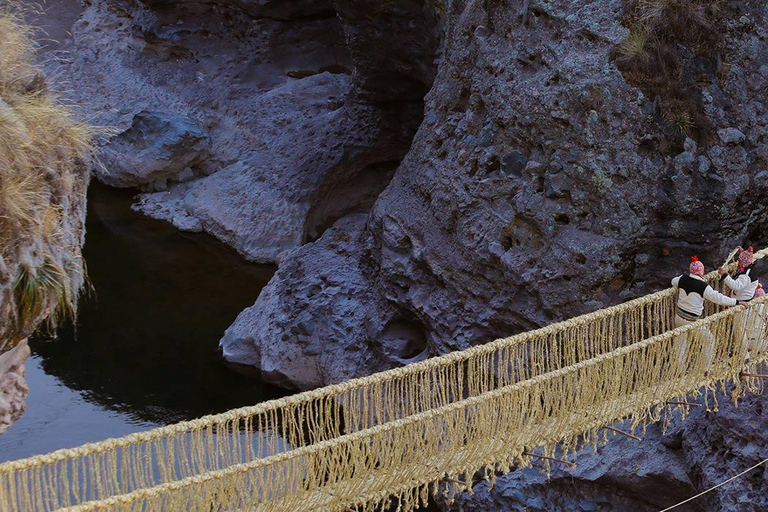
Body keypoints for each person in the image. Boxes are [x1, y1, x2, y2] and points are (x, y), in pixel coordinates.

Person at [671, 256, 738, 370]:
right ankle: (705, 369)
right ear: (702, 272)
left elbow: (673, 281)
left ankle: (679, 370)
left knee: (680, 344)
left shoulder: (682, 279)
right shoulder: (703, 287)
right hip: (692, 322)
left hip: (678, 318)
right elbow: (718, 298)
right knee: (709, 340)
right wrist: (736, 302)